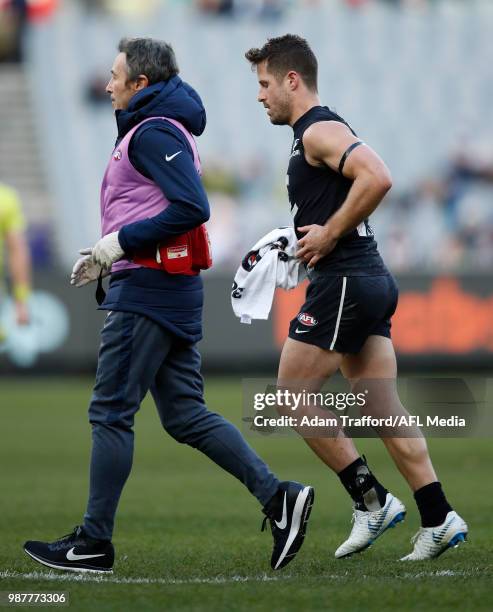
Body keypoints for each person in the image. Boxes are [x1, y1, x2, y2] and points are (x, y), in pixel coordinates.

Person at [23, 37, 314, 573]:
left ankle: (93, 542)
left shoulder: (152, 131)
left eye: (115, 75)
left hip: (149, 292)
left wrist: (122, 244)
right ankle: (279, 498)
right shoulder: (156, 127)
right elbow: (157, 206)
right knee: (184, 413)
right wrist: (110, 249)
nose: (107, 84)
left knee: (111, 411)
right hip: (165, 285)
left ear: (140, 85)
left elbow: (191, 206)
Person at [244, 34, 467, 560]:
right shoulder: (314, 133)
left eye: (265, 84)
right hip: (363, 277)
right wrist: (301, 242)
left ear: (291, 80)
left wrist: (327, 235)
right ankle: (438, 517)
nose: (260, 96)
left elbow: (379, 177)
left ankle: (372, 501)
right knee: (381, 404)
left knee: (290, 394)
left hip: (347, 279)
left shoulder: (319, 128)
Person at [0, 181, 31, 338]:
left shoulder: (6, 199)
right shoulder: (5, 198)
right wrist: (21, 300)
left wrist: (21, 300)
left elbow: (17, 251)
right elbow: (17, 250)